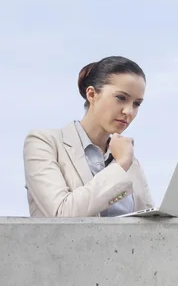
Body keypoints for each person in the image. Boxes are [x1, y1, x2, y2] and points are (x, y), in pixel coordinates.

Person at [23, 55, 153, 217]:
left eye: (136, 104)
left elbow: (149, 222)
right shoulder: (44, 142)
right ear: (92, 94)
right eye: (121, 98)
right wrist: (120, 165)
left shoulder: (130, 161)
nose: (129, 111)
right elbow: (62, 214)